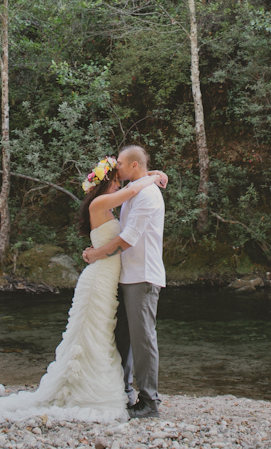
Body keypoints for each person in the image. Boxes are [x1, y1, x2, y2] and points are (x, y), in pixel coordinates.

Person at [0, 155, 167, 426]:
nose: (119, 175)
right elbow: (131, 191)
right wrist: (152, 176)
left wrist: (150, 175)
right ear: (107, 180)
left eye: (121, 167)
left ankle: (129, 395)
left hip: (123, 277)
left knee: (108, 335)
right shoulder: (106, 201)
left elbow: (131, 200)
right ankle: (110, 390)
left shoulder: (127, 196)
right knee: (98, 333)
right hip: (105, 276)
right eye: (115, 174)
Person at [82, 145, 165, 420]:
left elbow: (128, 239)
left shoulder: (147, 195)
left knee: (143, 339)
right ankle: (125, 392)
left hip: (142, 275)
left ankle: (149, 401)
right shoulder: (136, 190)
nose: (115, 166)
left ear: (132, 166)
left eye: (119, 163)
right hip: (126, 275)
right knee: (123, 338)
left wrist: (96, 254)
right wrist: (152, 174)